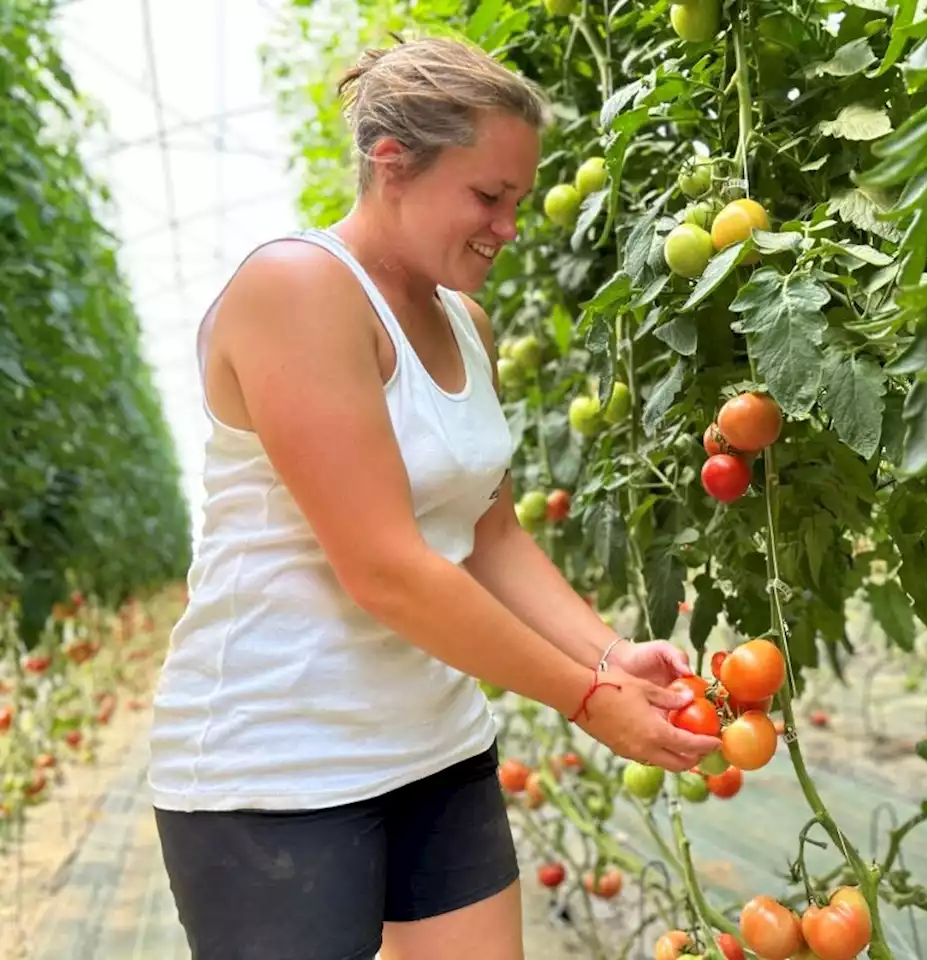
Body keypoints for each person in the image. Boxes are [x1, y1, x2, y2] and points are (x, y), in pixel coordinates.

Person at [146, 35, 721, 960]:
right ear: (391, 166)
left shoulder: (467, 321)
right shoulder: (297, 288)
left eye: (519, 201)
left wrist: (612, 654)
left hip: (436, 749)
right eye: (488, 197)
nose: (507, 226)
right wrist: (585, 698)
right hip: (276, 773)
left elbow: (490, 538)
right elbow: (387, 569)